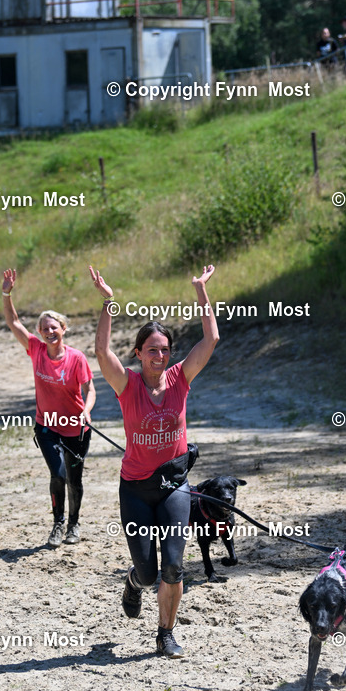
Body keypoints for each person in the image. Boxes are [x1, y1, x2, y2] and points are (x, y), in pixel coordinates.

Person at [89, 264, 219, 658]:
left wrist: (200, 289)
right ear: (138, 353)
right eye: (152, 350)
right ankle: (133, 582)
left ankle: (165, 634)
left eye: (164, 350)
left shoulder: (181, 378)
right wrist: (109, 302)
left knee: (173, 567)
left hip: (174, 487)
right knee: (148, 573)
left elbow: (211, 338)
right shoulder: (126, 384)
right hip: (135, 490)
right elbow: (101, 352)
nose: (159, 356)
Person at [1, 267, 95, 547]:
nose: (49, 332)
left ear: (63, 329)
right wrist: (6, 294)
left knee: (74, 480)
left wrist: (86, 411)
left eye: (54, 327)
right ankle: (58, 524)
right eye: (44, 329)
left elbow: (90, 390)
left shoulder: (77, 358)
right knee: (58, 474)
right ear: (40, 333)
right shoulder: (36, 349)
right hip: (47, 427)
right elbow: (13, 322)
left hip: (76, 429)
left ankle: (74, 525)